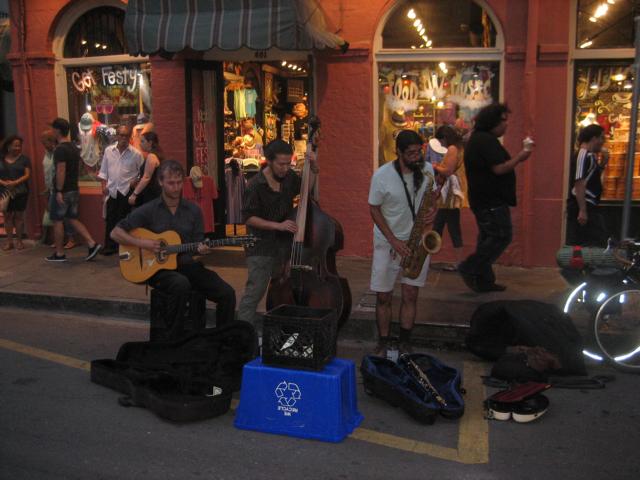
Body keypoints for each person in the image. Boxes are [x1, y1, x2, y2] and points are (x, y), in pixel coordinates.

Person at [110, 160, 236, 327]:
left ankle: (224, 337)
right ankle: (174, 335)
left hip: (186, 265)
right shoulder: (149, 210)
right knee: (180, 284)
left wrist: (201, 249)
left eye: (179, 183)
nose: (176, 188)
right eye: (171, 183)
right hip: (157, 269)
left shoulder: (194, 210)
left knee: (227, 293)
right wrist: (143, 243)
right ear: (160, 182)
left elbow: (197, 243)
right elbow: (115, 233)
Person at [368, 129, 438, 355]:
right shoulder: (382, 175)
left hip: (417, 242)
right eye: (411, 153)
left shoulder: (427, 171)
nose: (417, 157)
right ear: (398, 152)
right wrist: (393, 240)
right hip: (388, 242)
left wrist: (433, 211)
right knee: (383, 295)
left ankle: (405, 342)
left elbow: (433, 198)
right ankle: (383, 341)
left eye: (419, 152)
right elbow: (374, 209)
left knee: (410, 294)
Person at [236, 139, 318, 330]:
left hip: (284, 245)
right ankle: (242, 333)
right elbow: (248, 218)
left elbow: (306, 188)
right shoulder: (255, 185)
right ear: (269, 161)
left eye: (288, 164)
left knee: (283, 288)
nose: (285, 168)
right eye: (281, 164)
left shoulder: (289, 177)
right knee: (255, 291)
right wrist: (278, 226)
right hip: (260, 245)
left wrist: (313, 167)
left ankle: (279, 328)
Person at [458, 103, 534, 292]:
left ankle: (484, 281)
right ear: (493, 122)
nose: (506, 124)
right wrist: (521, 156)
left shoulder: (480, 139)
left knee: (487, 238)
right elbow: (499, 168)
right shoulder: (485, 140)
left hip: (484, 199)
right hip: (490, 200)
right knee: (501, 236)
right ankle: (471, 267)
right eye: (503, 120)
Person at [45, 118, 102, 262]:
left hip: (63, 191)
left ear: (57, 131)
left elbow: (61, 170)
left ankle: (59, 253)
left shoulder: (60, 149)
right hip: (74, 189)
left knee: (57, 220)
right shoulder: (73, 147)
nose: (51, 132)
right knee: (72, 218)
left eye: (52, 129)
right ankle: (91, 243)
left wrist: (59, 190)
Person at [98, 125, 144, 255]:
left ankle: (123, 248)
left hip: (126, 191)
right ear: (117, 136)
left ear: (130, 137)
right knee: (110, 220)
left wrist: (135, 181)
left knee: (124, 222)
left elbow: (142, 173)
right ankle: (109, 247)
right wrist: (103, 187)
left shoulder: (136, 154)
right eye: (121, 135)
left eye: (126, 136)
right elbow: (103, 171)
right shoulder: (109, 151)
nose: (124, 138)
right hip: (112, 191)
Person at [566, 124, 608, 247]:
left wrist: (602, 164)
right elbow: (579, 182)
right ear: (594, 138)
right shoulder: (583, 155)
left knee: (593, 241)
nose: (603, 142)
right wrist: (582, 210)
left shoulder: (590, 156)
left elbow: (591, 179)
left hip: (590, 205)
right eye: (601, 138)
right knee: (583, 243)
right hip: (583, 205)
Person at [432, 126, 467, 271]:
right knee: (441, 225)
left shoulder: (452, 149)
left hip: (450, 196)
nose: (441, 144)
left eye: (440, 141)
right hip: (452, 194)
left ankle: (458, 262)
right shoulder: (459, 148)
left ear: (445, 138)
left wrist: (435, 166)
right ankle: (426, 256)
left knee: (448, 227)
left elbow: (448, 170)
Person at [0, 135, 31, 250]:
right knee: (7, 216)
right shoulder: (1, 159)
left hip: (20, 191)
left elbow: (27, 175)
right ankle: (9, 241)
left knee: (19, 216)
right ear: (8, 146)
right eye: (15, 145)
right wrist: (4, 183)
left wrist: (15, 182)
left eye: (19, 145)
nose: (18, 148)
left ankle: (19, 241)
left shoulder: (24, 159)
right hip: (4, 192)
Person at [128, 131, 162, 206]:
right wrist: (137, 180)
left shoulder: (151, 156)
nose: (140, 144)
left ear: (150, 143)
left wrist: (134, 194)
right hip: (152, 193)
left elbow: (146, 177)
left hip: (152, 194)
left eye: (142, 141)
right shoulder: (153, 155)